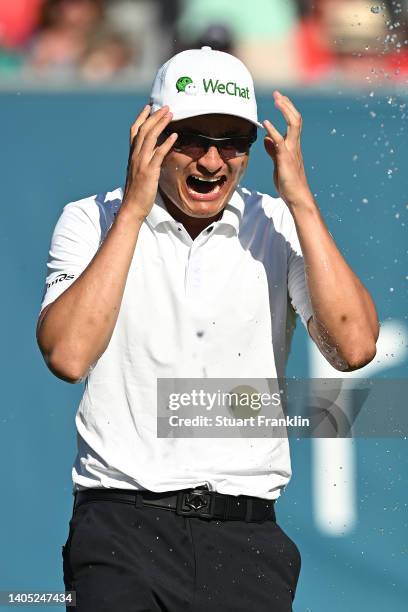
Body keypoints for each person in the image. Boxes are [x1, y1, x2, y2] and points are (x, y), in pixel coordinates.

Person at [36, 46, 378, 611]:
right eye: (193, 138)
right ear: (152, 135)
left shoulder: (277, 223)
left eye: (232, 142)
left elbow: (355, 347)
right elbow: (68, 356)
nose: (213, 162)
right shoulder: (91, 218)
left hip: (245, 539)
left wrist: (302, 203)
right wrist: (132, 213)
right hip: (121, 528)